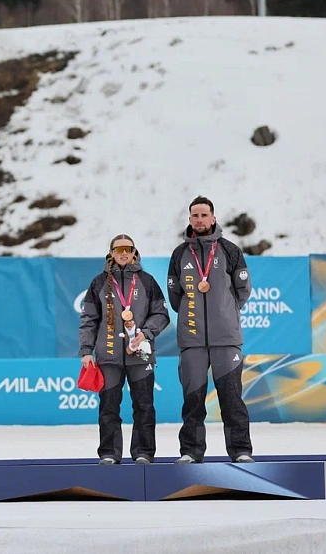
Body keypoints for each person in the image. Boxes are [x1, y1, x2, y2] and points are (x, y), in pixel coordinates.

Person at [168, 195, 254, 464]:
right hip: (192, 340)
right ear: (189, 219)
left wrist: (225, 311)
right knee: (192, 401)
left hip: (225, 339)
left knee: (232, 399)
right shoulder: (180, 254)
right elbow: (175, 297)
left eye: (204, 215)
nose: (199, 219)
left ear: (213, 218)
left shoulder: (230, 250)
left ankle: (240, 451)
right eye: (195, 215)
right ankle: (191, 452)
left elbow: (243, 290)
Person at [78, 235, 170, 465]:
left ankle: (143, 453)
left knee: (144, 406)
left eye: (128, 248)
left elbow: (161, 314)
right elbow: (89, 319)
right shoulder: (99, 282)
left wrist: (146, 333)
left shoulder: (147, 281)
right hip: (108, 356)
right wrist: (86, 351)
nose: (123, 253)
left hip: (141, 354)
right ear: (111, 253)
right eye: (118, 249)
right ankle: (109, 453)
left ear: (134, 252)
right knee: (109, 407)